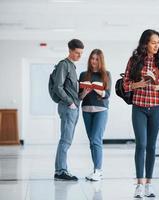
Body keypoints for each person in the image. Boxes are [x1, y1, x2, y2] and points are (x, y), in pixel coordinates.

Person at [123, 29, 159, 198]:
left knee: (151, 146)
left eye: (158, 43)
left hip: (156, 107)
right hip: (139, 107)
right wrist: (138, 84)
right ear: (145, 44)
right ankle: (139, 185)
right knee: (141, 144)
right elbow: (126, 84)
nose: (156, 45)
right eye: (153, 42)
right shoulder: (135, 60)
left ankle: (149, 184)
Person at [53, 39, 84, 181]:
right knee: (65, 140)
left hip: (73, 107)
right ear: (70, 51)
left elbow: (70, 89)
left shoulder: (72, 67)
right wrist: (70, 102)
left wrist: (82, 95)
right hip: (68, 107)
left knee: (67, 139)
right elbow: (57, 87)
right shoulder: (64, 65)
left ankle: (60, 169)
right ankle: (61, 171)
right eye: (77, 53)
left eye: (81, 53)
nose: (79, 56)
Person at [79, 49, 111, 181]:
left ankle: (98, 170)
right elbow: (79, 97)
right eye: (92, 58)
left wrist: (98, 90)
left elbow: (107, 95)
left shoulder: (106, 74)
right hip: (86, 109)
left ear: (101, 60)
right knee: (92, 142)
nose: (94, 61)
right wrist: (85, 93)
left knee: (96, 140)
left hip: (101, 110)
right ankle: (95, 170)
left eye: (97, 59)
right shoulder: (83, 74)